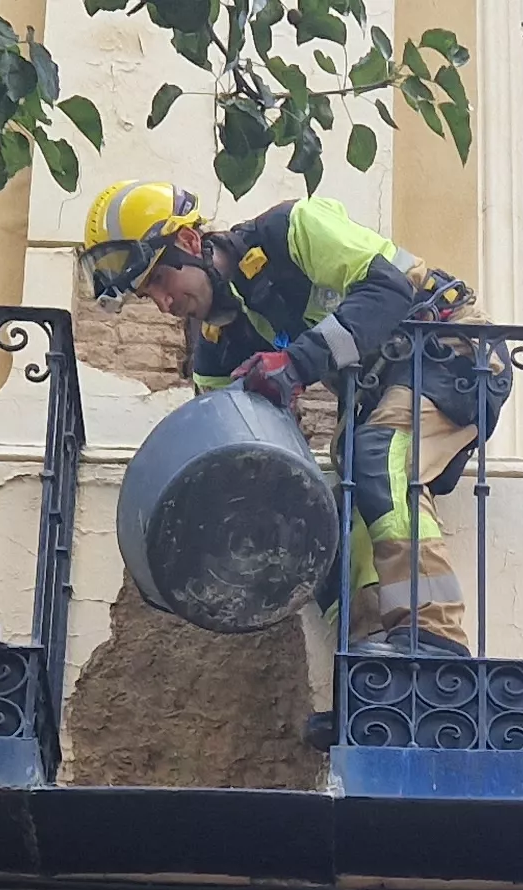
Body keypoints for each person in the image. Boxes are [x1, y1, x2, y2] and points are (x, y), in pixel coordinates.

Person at [79, 179, 498, 668]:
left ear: (189, 242)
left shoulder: (292, 230)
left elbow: (389, 289)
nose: (162, 304)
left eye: (158, 280)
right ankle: (368, 654)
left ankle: (434, 633)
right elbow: (234, 451)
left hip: (452, 351)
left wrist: (295, 365)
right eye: (146, 294)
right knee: (325, 514)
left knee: (376, 456)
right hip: (384, 391)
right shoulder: (218, 349)